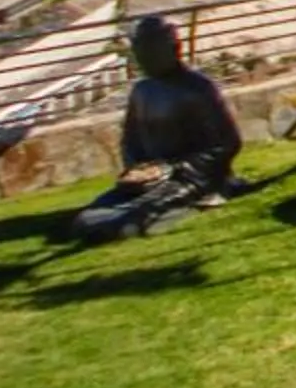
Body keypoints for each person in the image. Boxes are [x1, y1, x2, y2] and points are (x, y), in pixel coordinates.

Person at [69, 13, 247, 241]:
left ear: (175, 48)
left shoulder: (198, 88)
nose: (145, 59)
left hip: (192, 178)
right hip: (148, 181)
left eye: (151, 52)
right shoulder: (141, 91)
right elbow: (130, 140)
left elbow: (227, 143)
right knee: (88, 218)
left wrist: (176, 169)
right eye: (140, 52)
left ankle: (146, 220)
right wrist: (138, 170)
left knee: (138, 213)